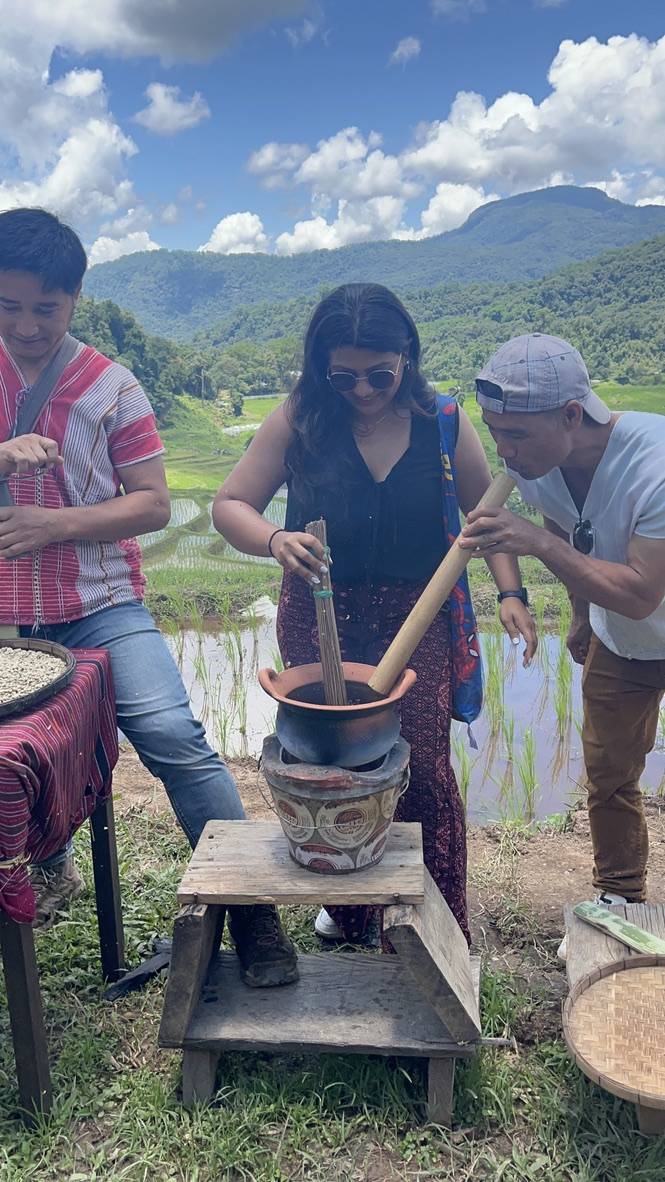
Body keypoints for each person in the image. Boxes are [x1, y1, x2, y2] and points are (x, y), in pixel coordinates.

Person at [0, 208, 297, 988]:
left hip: (99, 603)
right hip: (3, 617)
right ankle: (46, 862)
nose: (27, 325)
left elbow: (154, 505)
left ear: (74, 301)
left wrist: (53, 524)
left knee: (172, 736)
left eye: (45, 308)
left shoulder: (110, 386)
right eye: (9, 306)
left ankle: (251, 911)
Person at [213, 283, 536, 946]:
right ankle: (350, 910)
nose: (361, 390)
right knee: (331, 767)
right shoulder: (302, 414)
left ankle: (434, 923)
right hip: (317, 610)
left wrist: (511, 592)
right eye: (343, 375)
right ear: (319, 367)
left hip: (415, 616)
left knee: (416, 766)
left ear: (407, 357)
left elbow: (487, 516)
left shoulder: (442, 420)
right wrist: (275, 540)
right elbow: (230, 505)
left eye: (379, 374)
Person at [461, 331, 665, 954]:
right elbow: (565, 525)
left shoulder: (654, 466)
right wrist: (579, 616)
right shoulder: (539, 464)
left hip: (637, 608)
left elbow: (638, 592)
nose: (503, 449)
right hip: (622, 641)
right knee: (608, 773)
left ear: (572, 415)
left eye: (516, 433)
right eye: (495, 432)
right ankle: (621, 898)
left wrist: (536, 545)